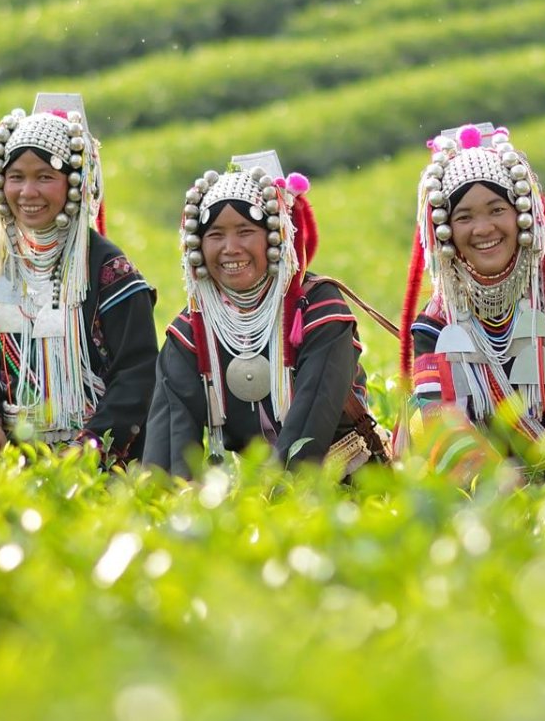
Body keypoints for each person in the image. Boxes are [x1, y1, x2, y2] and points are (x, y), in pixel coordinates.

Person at [399, 123, 545, 491]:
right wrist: (501, 492)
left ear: (522, 213)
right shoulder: (437, 322)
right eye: (464, 217)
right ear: (445, 230)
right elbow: (442, 418)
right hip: (490, 501)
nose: (483, 228)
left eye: (496, 210)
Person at [0, 94, 158, 465]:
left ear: (73, 184)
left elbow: (136, 374)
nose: (28, 193)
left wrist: (88, 447)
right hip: (8, 462)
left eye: (45, 177)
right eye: (16, 178)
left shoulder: (107, 271)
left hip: (93, 466)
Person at [143, 154, 383, 478]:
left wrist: (272, 500)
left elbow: (310, 428)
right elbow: (168, 455)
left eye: (244, 231)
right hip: (259, 501)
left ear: (275, 236)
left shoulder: (317, 310)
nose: (230, 248)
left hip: (349, 485)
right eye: (215, 235)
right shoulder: (190, 333)